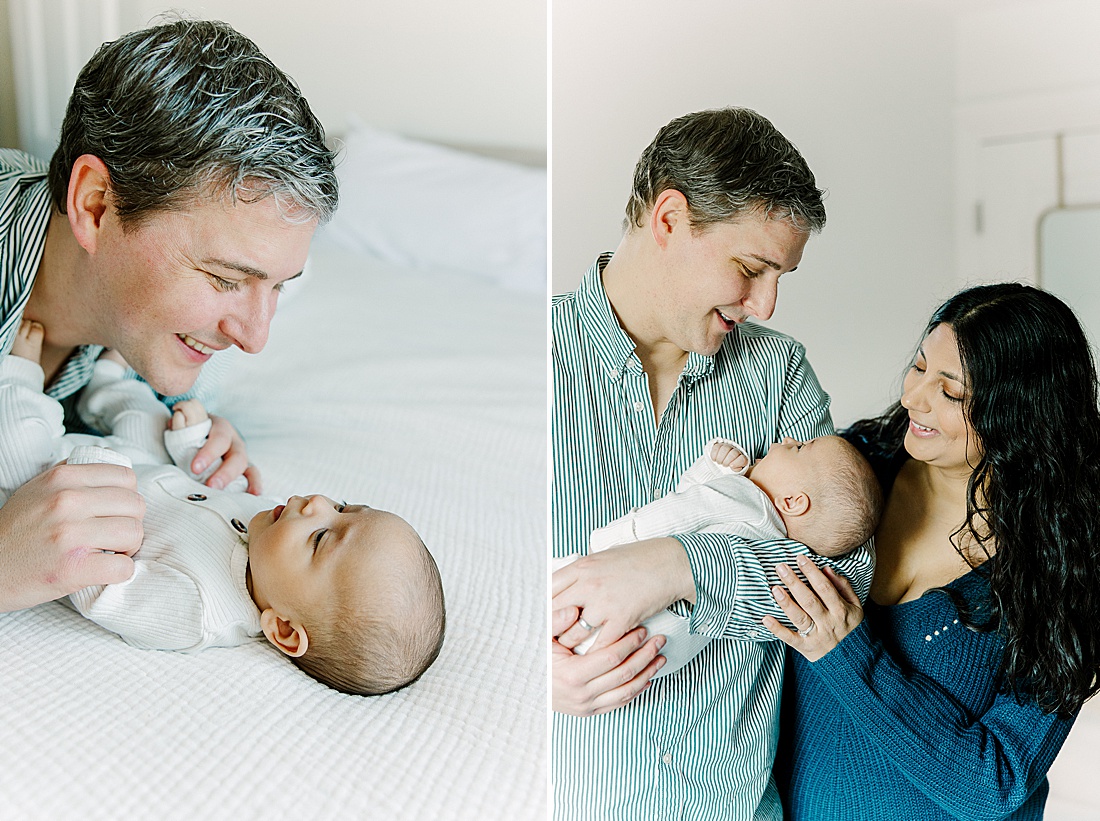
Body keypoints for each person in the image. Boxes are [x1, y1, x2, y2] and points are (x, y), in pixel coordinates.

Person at [550, 107, 875, 820]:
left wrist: (682, 564)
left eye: (779, 276)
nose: (765, 302)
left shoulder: (779, 373)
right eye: (752, 268)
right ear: (669, 218)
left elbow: (844, 579)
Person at [0, 19, 338, 613]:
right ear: (96, 206)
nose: (254, 338)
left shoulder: (136, 327)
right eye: (225, 279)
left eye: (279, 287)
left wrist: (168, 432)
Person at [769, 283, 1100, 819]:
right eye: (919, 367)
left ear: (1019, 416)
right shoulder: (851, 471)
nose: (913, 398)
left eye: (951, 393)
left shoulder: (1064, 570)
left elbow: (995, 785)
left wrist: (848, 654)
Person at [0, 320, 444, 696]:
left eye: (321, 537)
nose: (318, 504)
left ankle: (16, 375)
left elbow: (101, 592)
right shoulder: (268, 531)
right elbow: (201, 484)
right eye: (345, 506)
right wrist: (190, 446)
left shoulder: (197, 612)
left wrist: (91, 477)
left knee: (18, 442)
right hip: (136, 465)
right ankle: (108, 384)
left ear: (284, 629)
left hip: (43, 501)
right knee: (151, 425)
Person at [556, 434, 882, 677]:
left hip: (614, 601)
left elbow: (679, 510)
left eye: (798, 449)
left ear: (794, 502)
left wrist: (613, 543)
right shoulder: (774, 549)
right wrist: (715, 469)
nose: (787, 439)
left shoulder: (746, 496)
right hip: (658, 647)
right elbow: (700, 507)